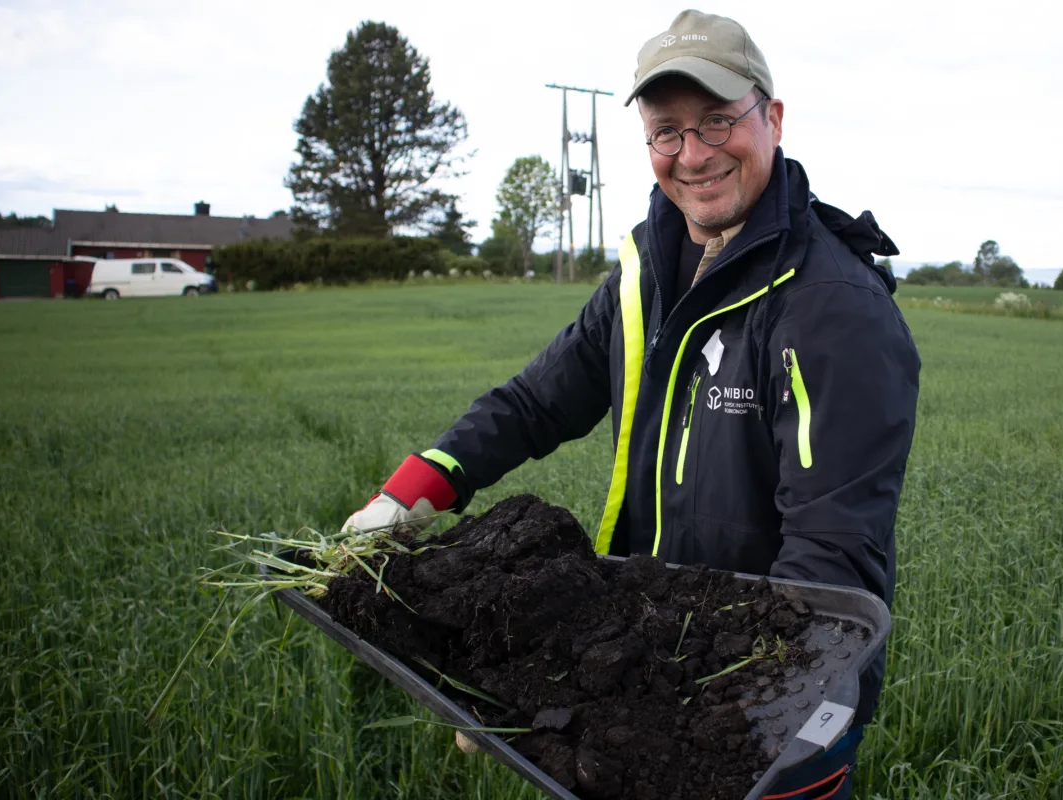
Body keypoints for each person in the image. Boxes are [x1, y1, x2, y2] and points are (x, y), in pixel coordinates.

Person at [344, 10, 920, 798]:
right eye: (667, 132)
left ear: (773, 118)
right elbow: (534, 402)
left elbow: (830, 559)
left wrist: (715, 719)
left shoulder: (832, 309)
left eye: (719, 120)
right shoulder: (645, 277)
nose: (694, 154)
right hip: (648, 663)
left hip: (779, 709)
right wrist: (413, 492)